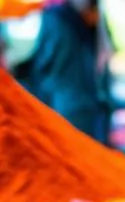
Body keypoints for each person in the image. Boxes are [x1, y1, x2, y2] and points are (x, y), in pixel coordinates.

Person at [31, 0, 110, 142]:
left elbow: (44, 64)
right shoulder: (59, 20)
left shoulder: (59, 19)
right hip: (72, 103)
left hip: (73, 104)